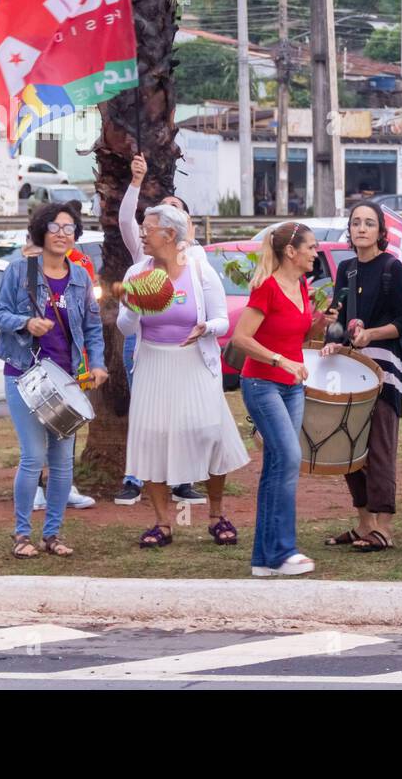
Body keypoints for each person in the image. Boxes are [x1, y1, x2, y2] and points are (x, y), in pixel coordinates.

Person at [117, 205, 247, 549]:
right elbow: (125, 326)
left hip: (194, 363)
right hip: (153, 364)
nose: (142, 234)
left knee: (210, 433)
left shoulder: (200, 271)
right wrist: (132, 305)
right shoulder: (136, 272)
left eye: (148, 228)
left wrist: (206, 328)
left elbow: (222, 319)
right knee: (152, 437)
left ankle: (217, 515)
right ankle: (162, 523)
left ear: (170, 235)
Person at [0, 203, 107, 559]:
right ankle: (22, 534)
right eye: (56, 227)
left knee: (62, 463)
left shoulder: (80, 278)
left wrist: (98, 364)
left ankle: (53, 534)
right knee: (33, 455)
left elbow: (92, 327)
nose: (62, 234)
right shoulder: (20, 272)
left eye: (70, 228)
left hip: (65, 380)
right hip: (24, 374)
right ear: (42, 231)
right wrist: (26, 323)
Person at [115, 153, 207, 507]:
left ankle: (182, 480)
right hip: (144, 345)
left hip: (183, 349)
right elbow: (126, 217)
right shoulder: (142, 254)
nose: (168, 211)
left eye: (177, 208)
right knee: (145, 411)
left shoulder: (195, 259)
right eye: (163, 207)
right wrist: (135, 182)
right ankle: (135, 478)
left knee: (181, 413)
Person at [322, 202, 402, 552]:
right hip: (349, 370)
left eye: (369, 223)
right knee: (348, 447)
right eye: (356, 222)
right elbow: (339, 318)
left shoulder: (392, 268)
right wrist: (333, 339)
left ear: (380, 231)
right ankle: (364, 524)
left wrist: (372, 334)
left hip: (383, 371)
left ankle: (384, 528)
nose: (361, 228)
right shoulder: (346, 269)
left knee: (380, 448)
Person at [233, 222, 318, 577]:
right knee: (288, 457)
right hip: (262, 384)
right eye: (311, 247)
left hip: (291, 386)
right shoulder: (266, 288)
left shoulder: (300, 285)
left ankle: (264, 559)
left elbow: (293, 332)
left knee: (277, 466)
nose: (315, 252)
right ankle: (284, 551)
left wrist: (320, 325)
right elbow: (241, 337)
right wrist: (279, 360)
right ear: (291, 251)